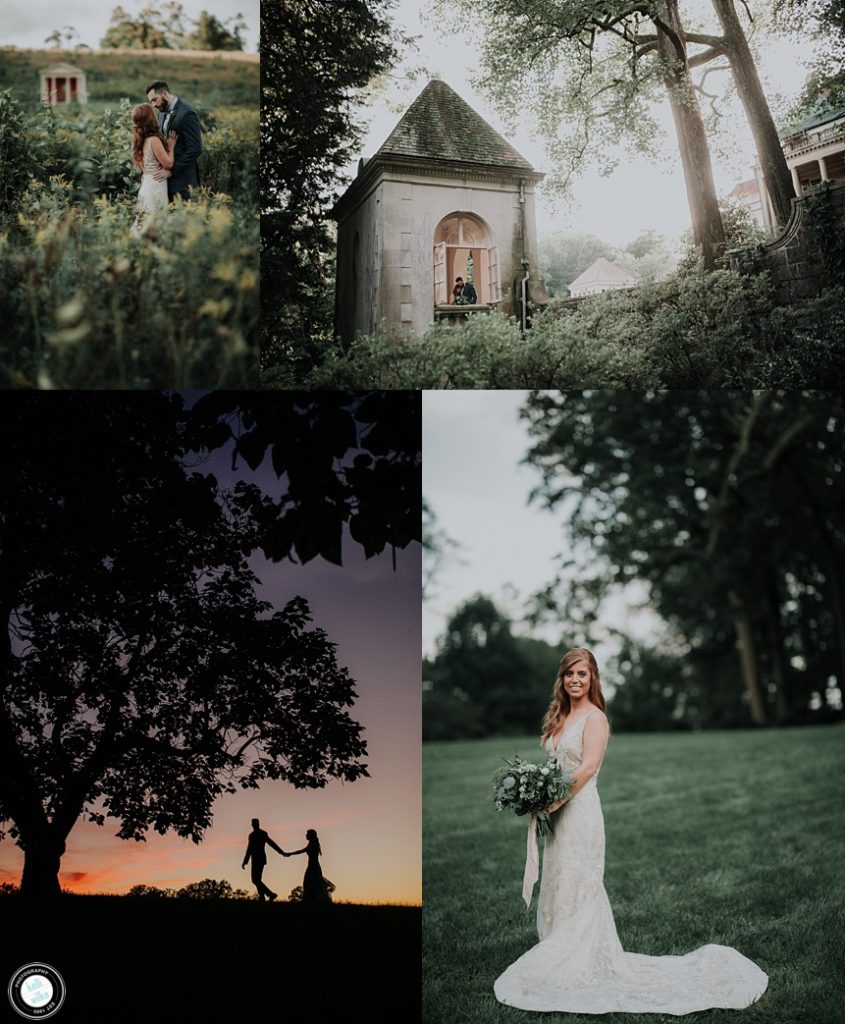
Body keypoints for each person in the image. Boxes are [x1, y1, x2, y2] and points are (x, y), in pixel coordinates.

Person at [494, 648, 768, 1014]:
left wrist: (555, 800)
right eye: (569, 674)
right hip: (558, 814)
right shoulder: (560, 716)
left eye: (583, 674)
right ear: (561, 679)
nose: (575, 680)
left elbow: (588, 767)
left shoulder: (595, 718)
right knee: (560, 879)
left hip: (580, 811)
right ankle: (560, 950)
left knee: (580, 882)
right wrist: (538, 792)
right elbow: (555, 765)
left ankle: (579, 960)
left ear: (593, 679)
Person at [145, 81, 202, 202]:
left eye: (155, 99)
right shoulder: (161, 113)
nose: (153, 105)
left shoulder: (187, 113)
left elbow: (195, 149)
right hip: (164, 182)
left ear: (165, 94)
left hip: (183, 181)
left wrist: (172, 171)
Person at [132, 104, 176, 216]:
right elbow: (168, 164)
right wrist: (171, 147)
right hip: (155, 187)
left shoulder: (140, 140)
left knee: (145, 222)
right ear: (151, 118)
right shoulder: (153, 140)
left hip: (146, 185)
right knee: (155, 221)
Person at [241, 818, 285, 901]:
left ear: (258, 824)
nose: (253, 825)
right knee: (257, 880)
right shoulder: (251, 835)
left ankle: (269, 895)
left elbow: (271, 843)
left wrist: (281, 852)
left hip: (260, 859)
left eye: (255, 823)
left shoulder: (263, 834)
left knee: (255, 880)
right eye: (253, 824)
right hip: (254, 859)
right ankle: (263, 897)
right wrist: (245, 861)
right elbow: (249, 849)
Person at [287, 828, 331, 904]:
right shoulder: (312, 843)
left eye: (307, 834)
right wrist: (290, 853)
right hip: (313, 867)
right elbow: (301, 851)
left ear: (311, 835)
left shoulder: (313, 844)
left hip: (313, 867)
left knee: (311, 884)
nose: (306, 835)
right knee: (310, 884)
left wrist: (290, 854)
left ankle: (312, 900)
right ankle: (311, 900)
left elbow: (301, 851)